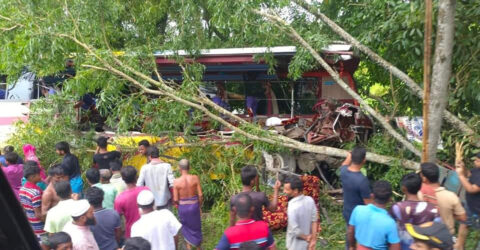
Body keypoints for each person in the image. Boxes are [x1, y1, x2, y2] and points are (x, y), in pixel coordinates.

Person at [389, 173, 440, 250]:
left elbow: (389, 228)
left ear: (403, 188)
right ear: (420, 187)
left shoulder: (397, 207)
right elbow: (438, 232)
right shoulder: (433, 210)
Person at [348, 180, 400, 250]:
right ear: (389, 199)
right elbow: (395, 247)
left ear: (372, 196)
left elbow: (351, 231)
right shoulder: (390, 222)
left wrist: (352, 246)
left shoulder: (358, 210)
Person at [418, 163, 466, 236]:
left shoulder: (419, 193)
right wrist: (448, 213)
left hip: (424, 235)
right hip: (445, 237)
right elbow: (463, 217)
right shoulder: (451, 196)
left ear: (424, 178)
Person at [340, 147, 372, 250]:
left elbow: (344, 164)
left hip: (347, 211)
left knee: (350, 236)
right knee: (362, 238)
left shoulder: (343, 172)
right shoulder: (362, 180)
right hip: (360, 215)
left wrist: (349, 156)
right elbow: (368, 204)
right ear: (364, 160)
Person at [173, 159, 203, 249]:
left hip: (183, 208)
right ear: (189, 167)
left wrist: (180, 205)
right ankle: (198, 248)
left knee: (186, 230)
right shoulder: (195, 178)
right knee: (196, 228)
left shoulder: (176, 181)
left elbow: (175, 199)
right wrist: (199, 206)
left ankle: (189, 247)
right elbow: (200, 195)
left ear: (179, 168)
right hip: (194, 206)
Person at [114, 166, 149, 238]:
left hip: (131, 232)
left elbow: (117, 218)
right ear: (136, 177)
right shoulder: (146, 190)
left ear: (123, 179)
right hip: (148, 229)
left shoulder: (120, 199)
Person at [284, 175, 318, 250]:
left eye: (287, 189)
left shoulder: (292, 207)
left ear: (295, 191)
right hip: (308, 245)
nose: (284, 191)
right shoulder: (310, 200)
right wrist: (313, 239)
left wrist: (306, 237)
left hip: (295, 245)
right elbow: (314, 221)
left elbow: (295, 230)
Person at [455, 153, 480, 249]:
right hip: (471, 205)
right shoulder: (477, 170)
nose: (475, 161)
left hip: (478, 209)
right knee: (464, 224)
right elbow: (469, 174)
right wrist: (463, 168)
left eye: (478, 160)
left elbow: (471, 189)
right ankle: (459, 245)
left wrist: (460, 175)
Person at [19, 161, 46, 239]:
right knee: (45, 242)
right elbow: (38, 214)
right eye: (39, 175)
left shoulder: (22, 189)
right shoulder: (35, 193)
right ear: (32, 177)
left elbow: (24, 206)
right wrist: (48, 224)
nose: (41, 176)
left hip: (32, 223)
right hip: (40, 226)